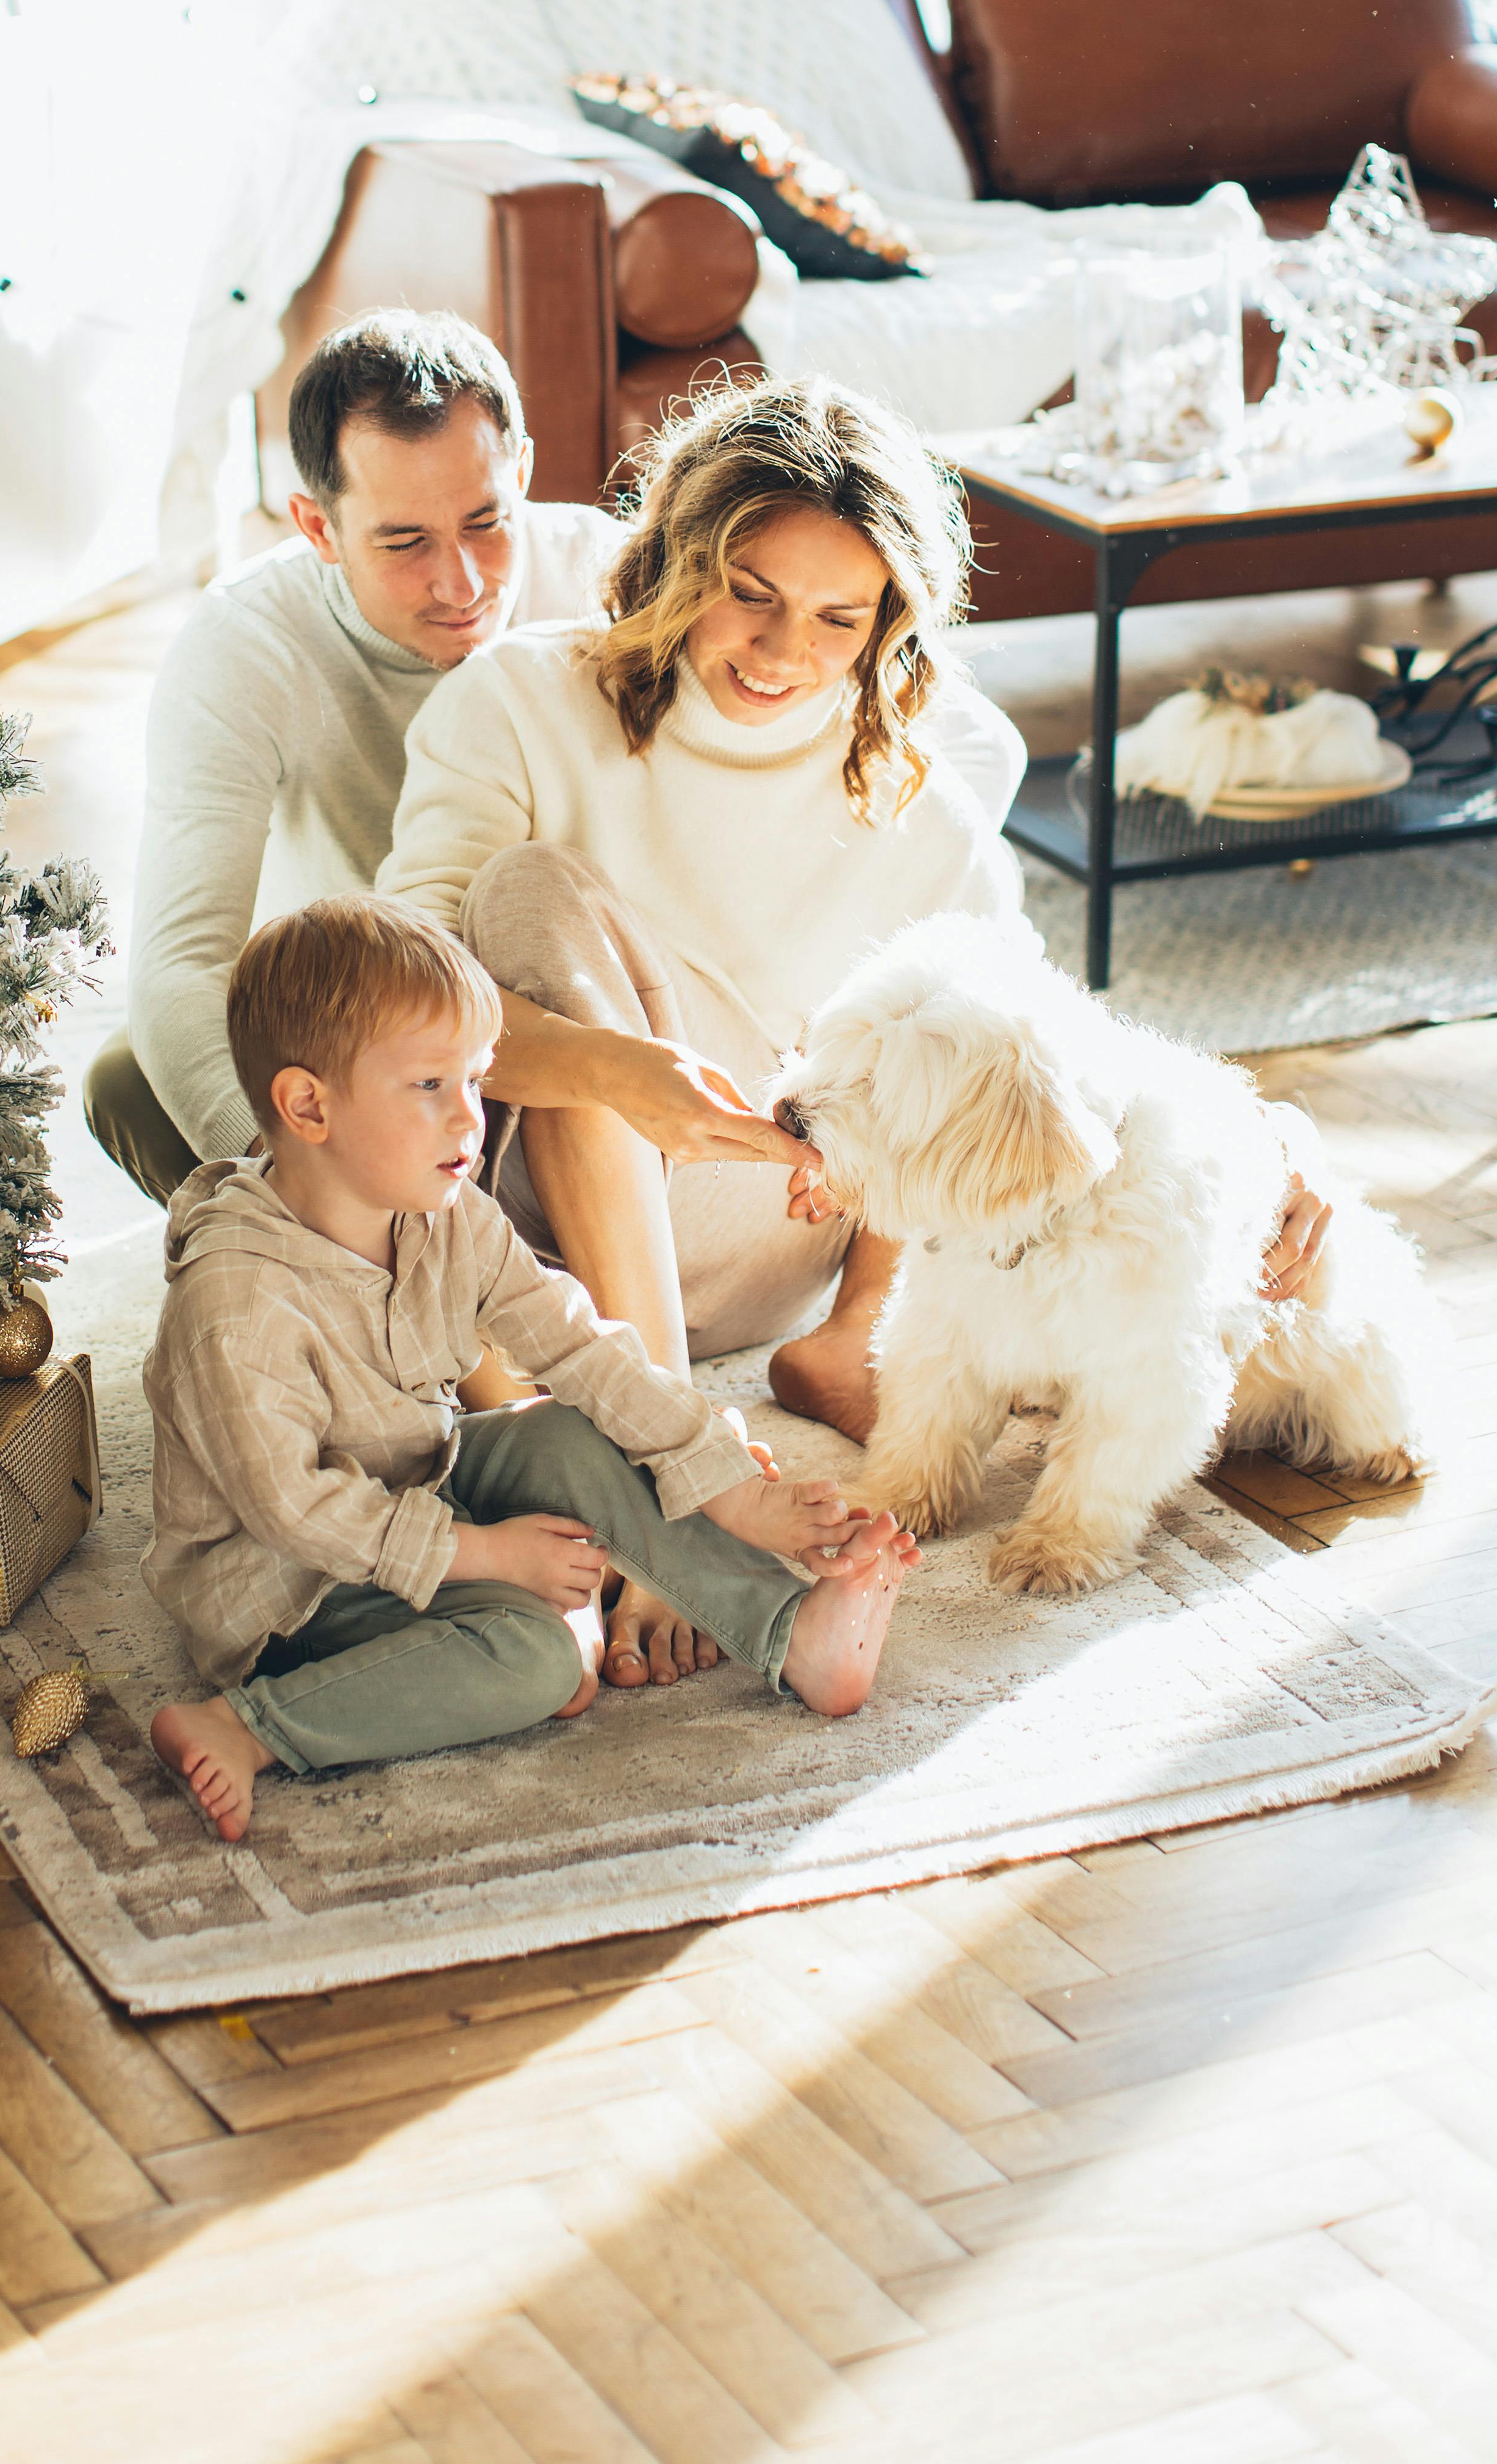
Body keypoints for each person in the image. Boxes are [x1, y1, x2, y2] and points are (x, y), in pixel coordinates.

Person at [380, 375, 1331, 1675]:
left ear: (889, 621)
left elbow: (1040, 1050)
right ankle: (679, 1462)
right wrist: (613, 1070)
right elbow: (392, 1015)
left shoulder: (925, 779)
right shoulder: (516, 702)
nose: (782, 652)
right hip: (550, 1225)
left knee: (941, 1026)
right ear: (669, 558)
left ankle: (850, 1343)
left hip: (791, 1222)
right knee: (519, 894)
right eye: (752, 592)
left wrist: (1265, 1136)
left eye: (840, 617)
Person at [88, 307, 1027, 1205]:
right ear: (317, 526)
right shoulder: (243, 647)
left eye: (488, 522)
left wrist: (815, 916)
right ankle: (332, 1267)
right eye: (405, 541)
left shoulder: (622, 574)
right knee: (131, 1080)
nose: (460, 582)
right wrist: (301, 1191)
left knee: (538, 914)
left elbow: (965, 741)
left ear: (524, 472)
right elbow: (181, 963)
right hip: (381, 1007)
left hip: (581, 997)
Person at [143, 897, 917, 1842]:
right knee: (536, 1662)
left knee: (565, 1427)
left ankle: (792, 1635)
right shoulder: (237, 1297)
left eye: (475, 1078)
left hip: (421, 1480)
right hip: (290, 1588)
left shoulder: (442, 1212)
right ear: (309, 1106)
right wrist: (491, 1556)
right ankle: (248, 1727)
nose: (469, 1117)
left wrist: (729, 1490)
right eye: (431, 1084)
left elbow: (581, 1346)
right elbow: (294, 1513)